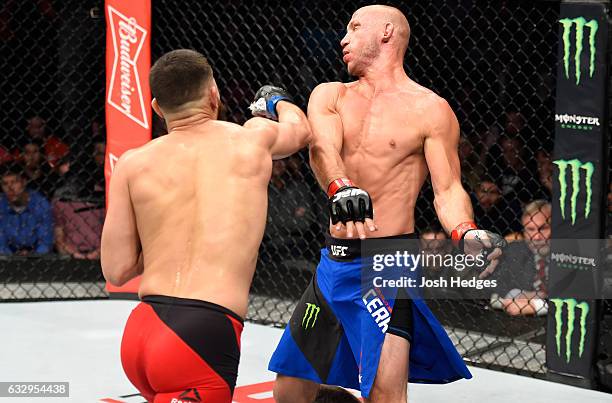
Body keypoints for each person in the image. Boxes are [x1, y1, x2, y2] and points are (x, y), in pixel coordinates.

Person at [269, 5, 504, 402]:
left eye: (355, 27)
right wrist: (341, 187)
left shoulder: (430, 109)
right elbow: (321, 149)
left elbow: (447, 190)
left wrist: (465, 231)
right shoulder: (331, 94)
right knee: (290, 389)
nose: (343, 39)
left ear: (387, 32)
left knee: (385, 393)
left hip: (389, 264)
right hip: (335, 261)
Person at [100, 49, 311, 403]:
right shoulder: (252, 138)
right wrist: (275, 100)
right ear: (214, 95)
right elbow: (301, 131)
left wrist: (161, 238)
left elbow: (116, 270)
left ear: (156, 107)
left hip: (141, 332)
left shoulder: (132, 164)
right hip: (200, 337)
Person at [491, 200, 551, 316]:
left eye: (543, 228)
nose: (536, 237)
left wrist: (537, 305)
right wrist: (516, 295)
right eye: (530, 229)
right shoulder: (517, 252)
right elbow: (495, 289)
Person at [0, 164, 53, 255]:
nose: (10, 188)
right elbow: (1, 244)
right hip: (8, 256)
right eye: (5, 184)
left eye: (14, 182)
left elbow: (45, 241)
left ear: (24, 182)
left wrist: (33, 256)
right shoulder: (1, 204)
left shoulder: (40, 204)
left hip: (37, 256)